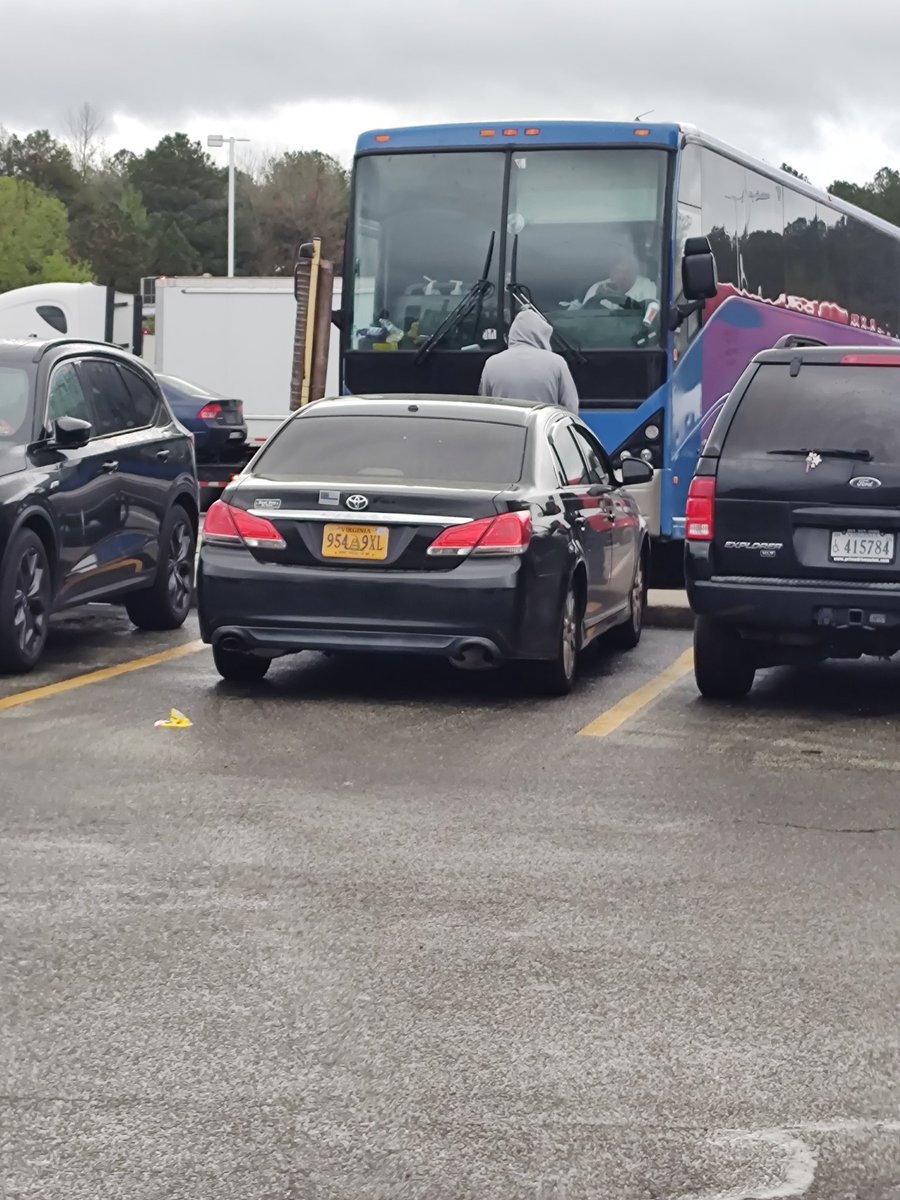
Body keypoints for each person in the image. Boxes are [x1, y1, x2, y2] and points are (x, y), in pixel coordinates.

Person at [478, 308, 579, 413]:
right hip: (541, 428)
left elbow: (485, 406)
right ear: (541, 335)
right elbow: (571, 407)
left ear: (512, 333)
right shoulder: (557, 363)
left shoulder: (491, 363)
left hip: (505, 428)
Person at [564, 250, 657, 311]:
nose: (621, 276)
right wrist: (597, 298)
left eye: (627, 272)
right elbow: (585, 318)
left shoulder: (648, 287)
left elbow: (652, 316)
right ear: (610, 272)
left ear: (636, 272)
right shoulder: (597, 288)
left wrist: (621, 299)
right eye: (617, 271)